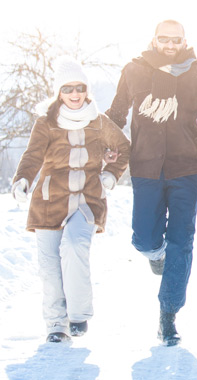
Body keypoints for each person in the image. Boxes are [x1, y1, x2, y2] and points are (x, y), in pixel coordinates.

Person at [106, 20, 197, 346]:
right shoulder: (134, 71)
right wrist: (107, 144)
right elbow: (116, 112)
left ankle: (168, 316)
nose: (170, 45)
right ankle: (155, 254)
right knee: (143, 239)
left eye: (176, 40)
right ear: (154, 39)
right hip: (145, 168)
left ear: (185, 40)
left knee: (182, 242)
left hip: (186, 170)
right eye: (164, 39)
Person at [11, 56, 130, 343]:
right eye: (68, 89)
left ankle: (78, 315)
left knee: (76, 243)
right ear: (59, 93)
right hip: (49, 200)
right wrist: (23, 178)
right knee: (49, 265)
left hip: (87, 199)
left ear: (87, 90)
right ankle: (56, 325)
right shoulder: (46, 123)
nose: (75, 95)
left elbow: (123, 148)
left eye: (79, 88)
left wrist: (111, 175)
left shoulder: (99, 122)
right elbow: (33, 155)